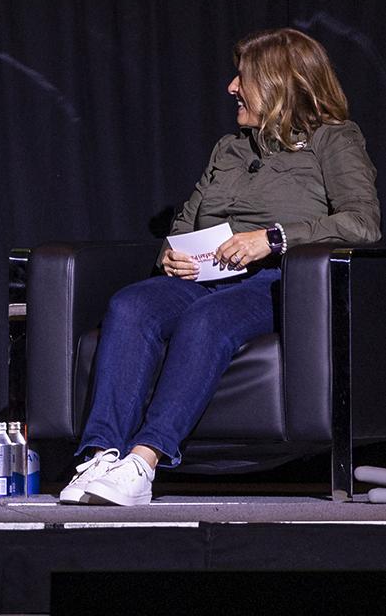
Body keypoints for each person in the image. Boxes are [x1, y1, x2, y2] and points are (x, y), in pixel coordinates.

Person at [59, 28, 380, 506]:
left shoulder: (333, 140)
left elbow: (363, 222)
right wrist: (170, 253)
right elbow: (187, 220)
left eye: (243, 78)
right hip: (202, 277)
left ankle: (143, 463)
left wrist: (271, 240)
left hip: (278, 283)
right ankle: (103, 455)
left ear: (278, 84)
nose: (232, 87)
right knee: (130, 305)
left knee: (206, 321)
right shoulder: (228, 149)